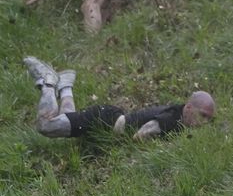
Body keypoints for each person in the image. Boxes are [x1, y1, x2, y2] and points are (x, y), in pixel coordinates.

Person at [22, 57, 214, 140]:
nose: (204, 122)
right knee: (46, 126)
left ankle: (65, 85)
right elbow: (141, 135)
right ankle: (47, 81)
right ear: (189, 108)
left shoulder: (178, 118)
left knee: (68, 118)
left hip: (109, 118)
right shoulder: (172, 119)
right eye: (203, 115)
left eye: (208, 119)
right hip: (105, 119)